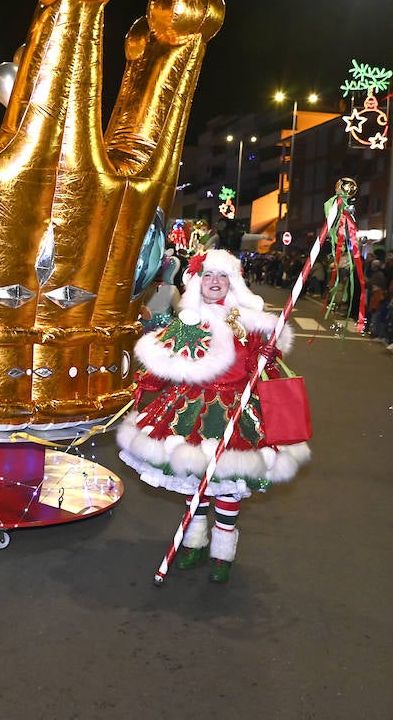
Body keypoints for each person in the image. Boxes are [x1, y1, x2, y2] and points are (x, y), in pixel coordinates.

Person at [116, 249, 309, 583]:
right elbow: (165, 366)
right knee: (196, 479)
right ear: (197, 282)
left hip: (236, 407)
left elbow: (262, 365)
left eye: (222, 276)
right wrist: (137, 389)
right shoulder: (187, 321)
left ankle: (223, 553)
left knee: (228, 485)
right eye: (208, 276)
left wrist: (264, 356)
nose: (215, 282)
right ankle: (194, 542)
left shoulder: (248, 320)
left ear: (232, 281)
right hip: (192, 406)